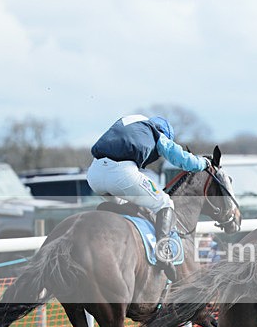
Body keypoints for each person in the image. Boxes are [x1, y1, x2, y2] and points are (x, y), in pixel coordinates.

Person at [88, 114, 209, 280]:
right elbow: (183, 160)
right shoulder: (157, 134)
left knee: (125, 205)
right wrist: (203, 163)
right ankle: (163, 252)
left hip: (94, 174)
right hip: (120, 174)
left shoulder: (131, 122)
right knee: (165, 203)